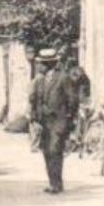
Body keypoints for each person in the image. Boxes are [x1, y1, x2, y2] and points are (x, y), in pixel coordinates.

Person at [30, 47, 78, 194]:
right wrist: (34, 118)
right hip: (44, 121)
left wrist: (69, 118)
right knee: (46, 152)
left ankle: (57, 183)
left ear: (50, 64)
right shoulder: (39, 80)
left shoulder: (63, 78)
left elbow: (73, 99)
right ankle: (52, 182)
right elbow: (34, 100)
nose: (40, 66)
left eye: (42, 63)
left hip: (59, 120)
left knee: (55, 150)